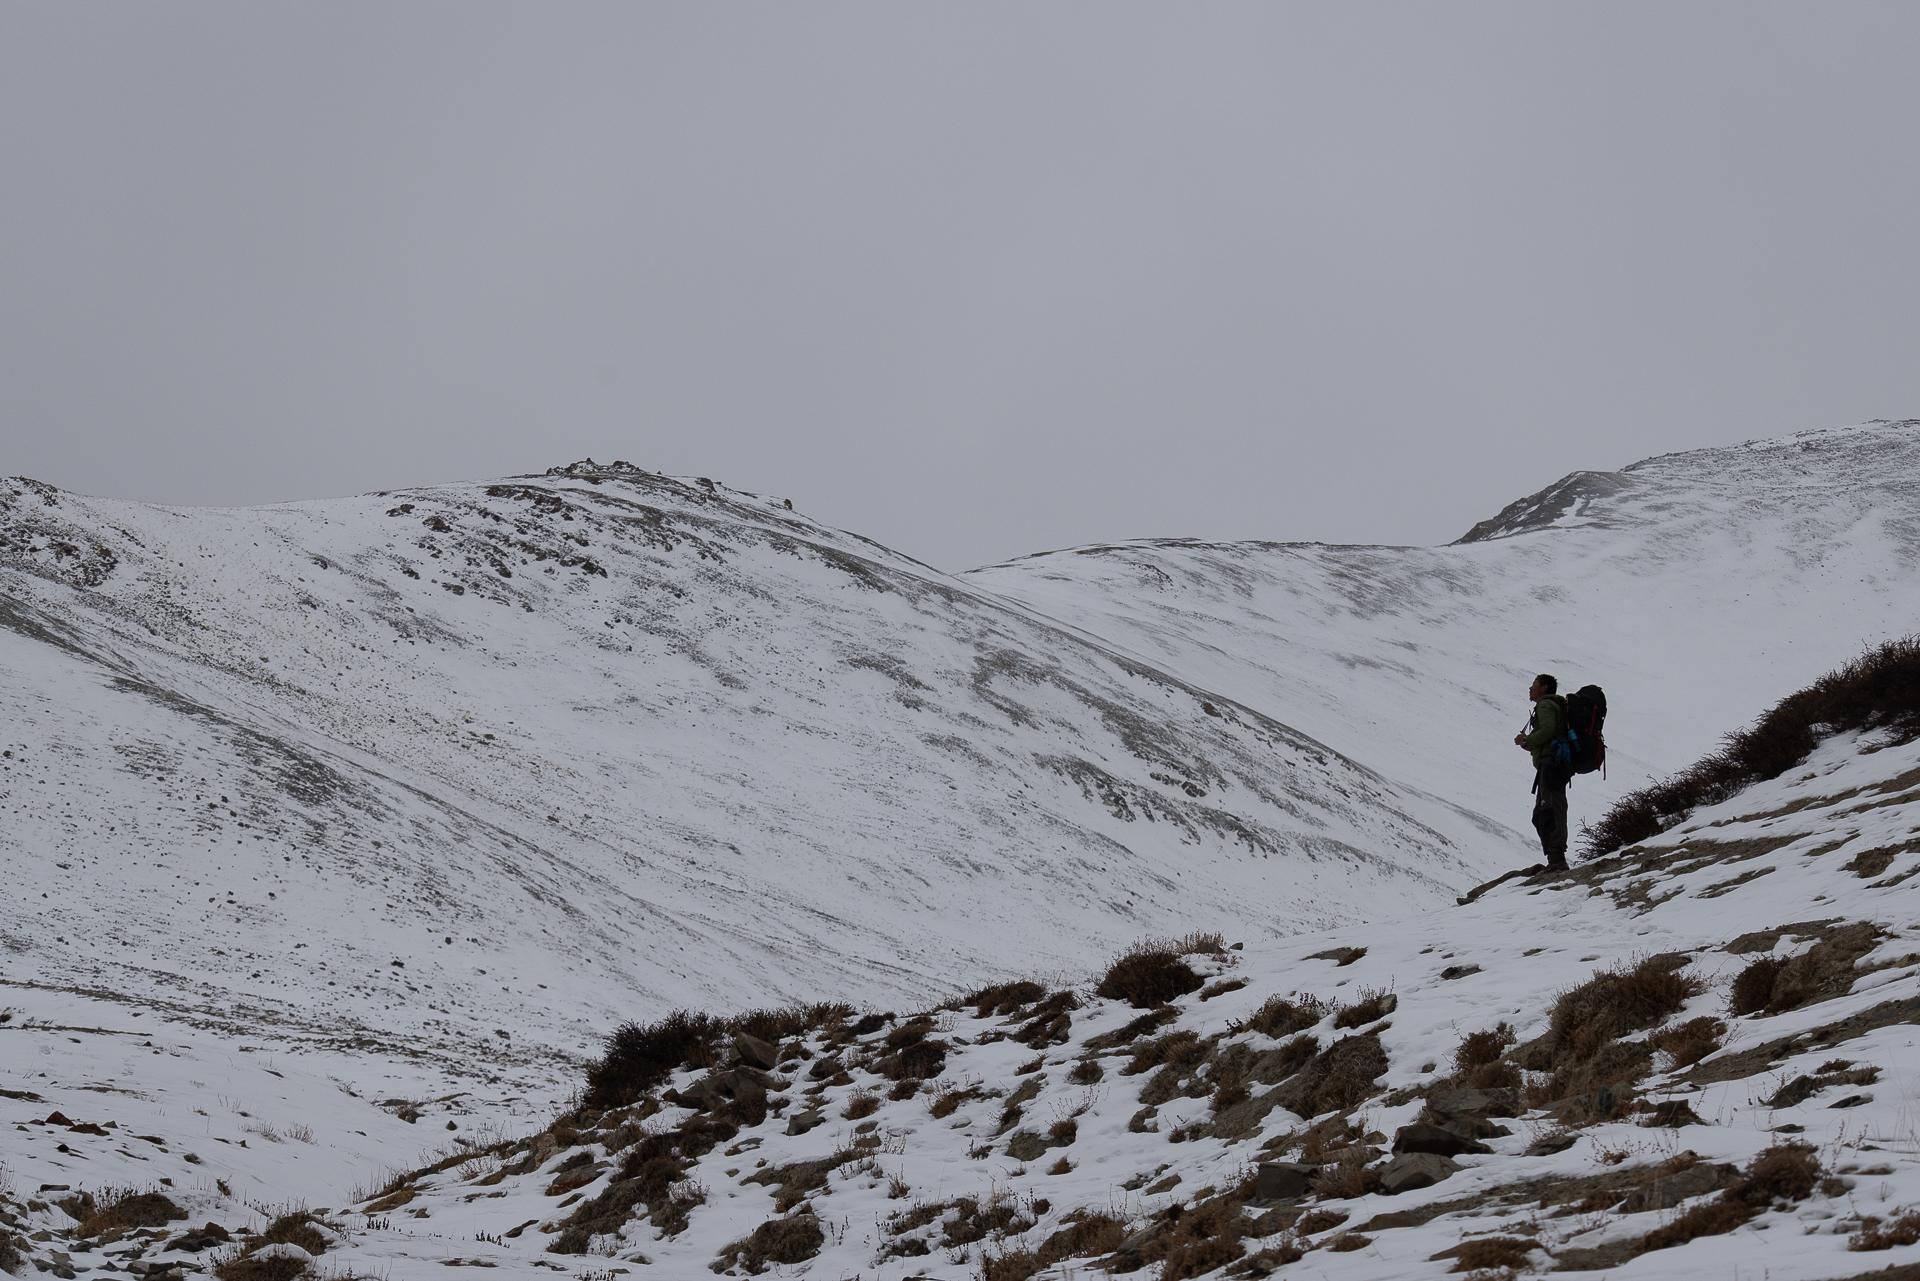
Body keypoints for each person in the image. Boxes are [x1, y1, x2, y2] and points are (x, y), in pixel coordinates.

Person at [1514, 673, 1569, 871]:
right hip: (1555, 764)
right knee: (1548, 809)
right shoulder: (1555, 705)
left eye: (1534, 685)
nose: (1530, 689)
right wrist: (1530, 744)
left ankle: (1557, 861)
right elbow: (1550, 734)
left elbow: (1547, 730)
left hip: (1550, 765)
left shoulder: (1545, 705)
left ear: (1544, 688)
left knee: (1547, 811)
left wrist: (1527, 740)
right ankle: (1555, 858)